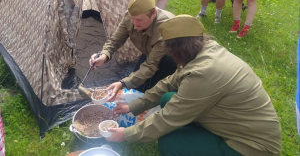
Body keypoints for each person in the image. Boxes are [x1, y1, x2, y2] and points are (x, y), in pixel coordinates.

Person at [105, 15, 282, 156]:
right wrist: (133, 106)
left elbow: (167, 118)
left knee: (170, 144)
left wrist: (125, 134)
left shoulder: (203, 73)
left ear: (178, 51)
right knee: (168, 98)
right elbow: (169, 83)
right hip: (233, 122)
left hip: (252, 146)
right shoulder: (204, 50)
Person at [89, 0, 177, 98]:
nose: (134, 23)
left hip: (173, 59)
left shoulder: (164, 28)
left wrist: (122, 83)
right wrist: (104, 55)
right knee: (135, 90)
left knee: (154, 96)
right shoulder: (131, 16)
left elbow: (150, 65)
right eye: (132, 19)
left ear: (153, 13)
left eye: (139, 20)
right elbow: (115, 40)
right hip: (150, 52)